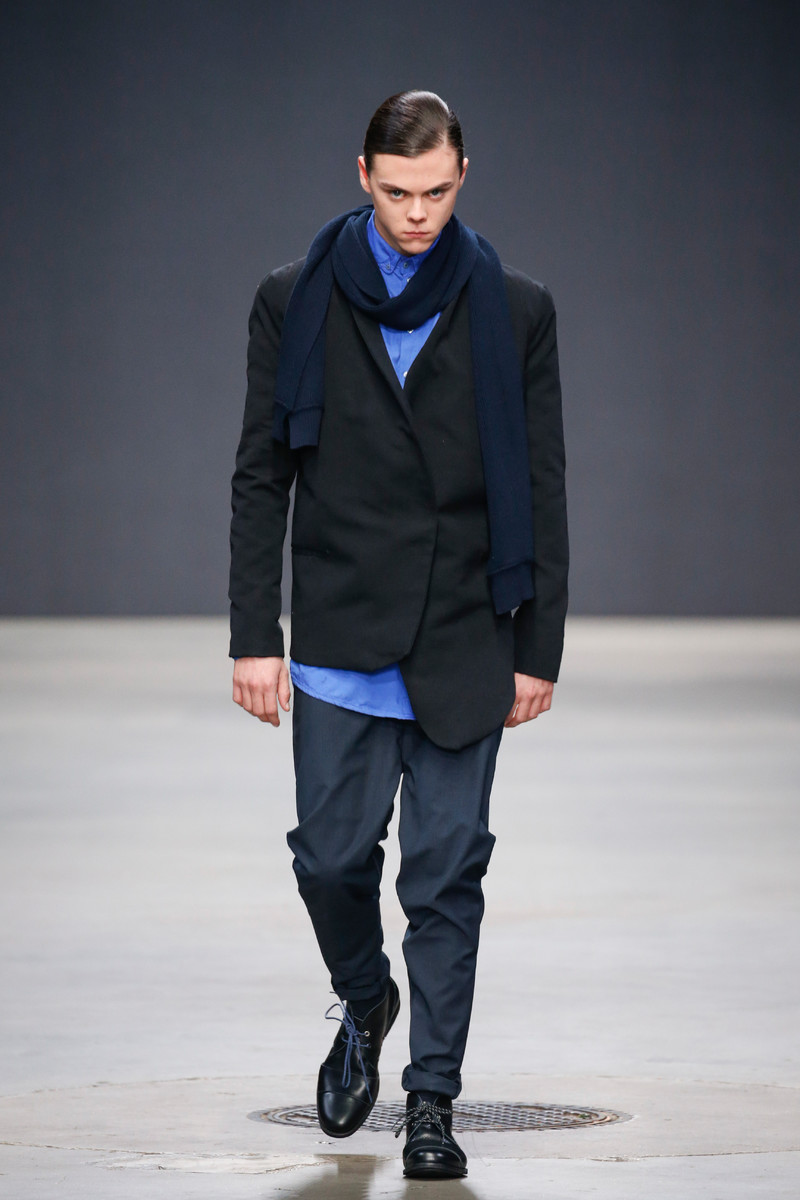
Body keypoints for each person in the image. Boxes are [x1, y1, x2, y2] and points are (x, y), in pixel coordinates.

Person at [229, 90, 568, 1181]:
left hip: (467, 629)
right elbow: (261, 474)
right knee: (330, 859)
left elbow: (544, 484)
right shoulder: (294, 298)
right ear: (362, 176)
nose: (416, 215)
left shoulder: (514, 307)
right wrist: (253, 632)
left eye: (434, 192)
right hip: (342, 624)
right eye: (395, 192)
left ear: (463, 176)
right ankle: (365, 996)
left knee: (446, 875)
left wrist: (539, 647)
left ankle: (431, 1101)